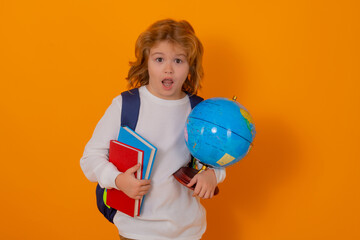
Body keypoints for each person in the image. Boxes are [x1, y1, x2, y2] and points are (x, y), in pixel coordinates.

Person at [80, 19, 226, 240]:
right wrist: (118, 180)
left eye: (178, 60)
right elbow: (90, 158)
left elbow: (220, 158)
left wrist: (214, 175)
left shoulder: (200, 111)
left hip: (187, 231)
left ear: (190, 67)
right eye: (159, 59)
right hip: (136, 231)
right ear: (146, 62)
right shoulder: (126, 105)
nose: (168, 68)